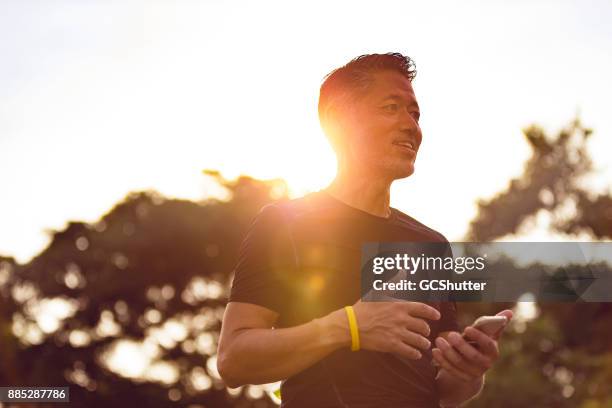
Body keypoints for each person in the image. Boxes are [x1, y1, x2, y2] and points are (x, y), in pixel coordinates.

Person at [217, 52, 513, 407]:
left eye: (415, 114)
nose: (411, 126)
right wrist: (351, 327)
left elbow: (442, 390)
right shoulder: (285, 222)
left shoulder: (431, 244)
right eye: (392, 108)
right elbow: (233, 359)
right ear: (338, 121)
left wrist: (468, 371)